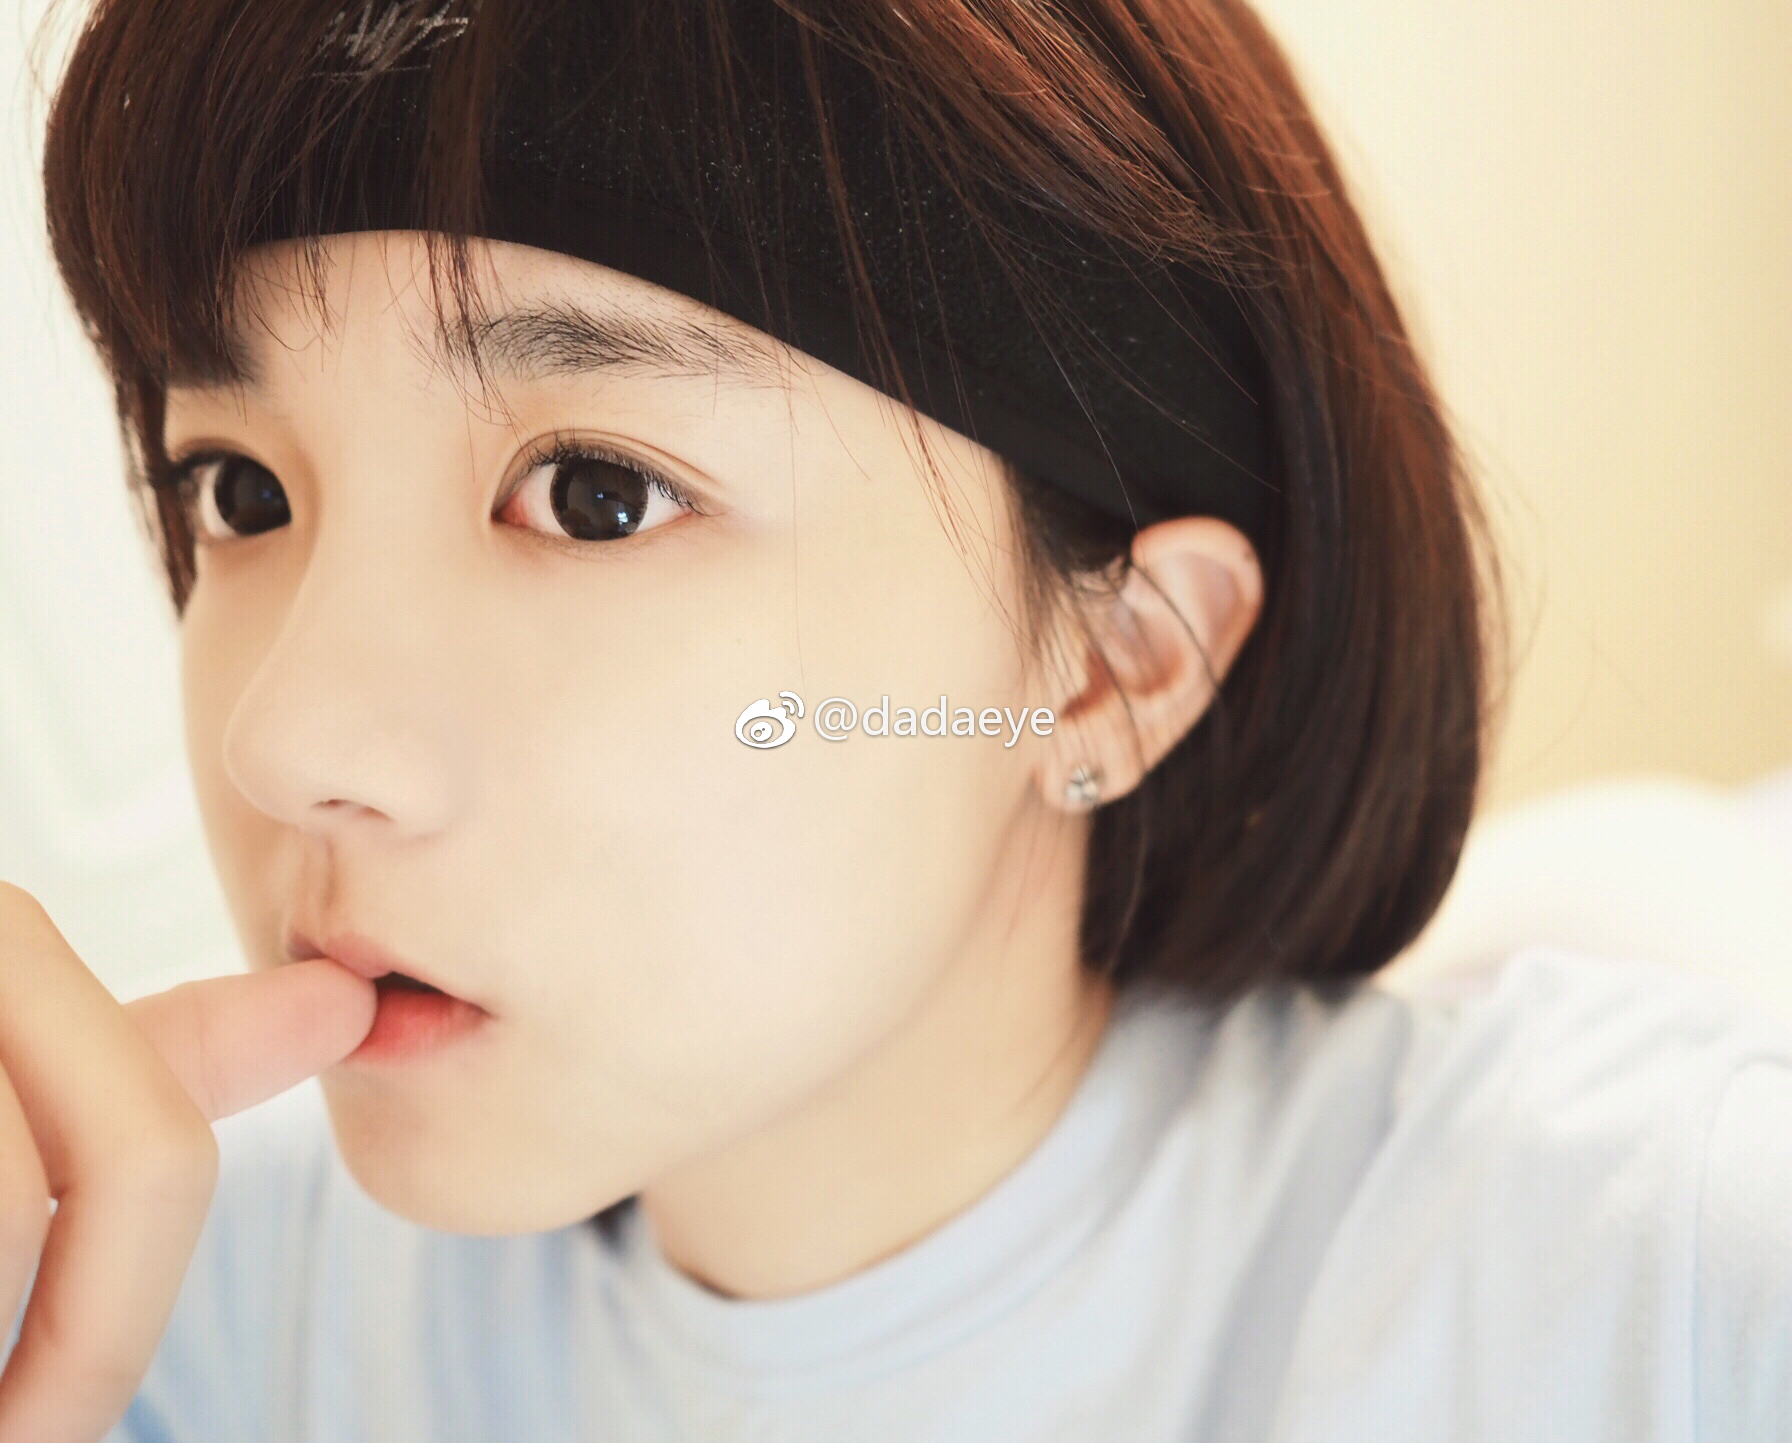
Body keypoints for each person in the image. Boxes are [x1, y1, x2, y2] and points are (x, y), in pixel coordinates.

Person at [2, 1, 1787, 1439]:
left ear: (1117, 663)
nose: (289, 743)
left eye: (599, 495)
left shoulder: (1658, 1295)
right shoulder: (159, 1305)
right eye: (238, 490)